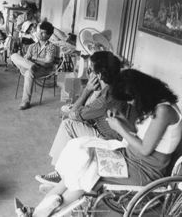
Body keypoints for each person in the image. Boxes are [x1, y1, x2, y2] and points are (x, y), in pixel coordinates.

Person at [15, 69, 182, 217]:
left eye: (130, 100)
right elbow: (140, 135)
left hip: (144, 170)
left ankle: (42, 212)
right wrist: (122, 120)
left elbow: (145, 149)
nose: (131, 104)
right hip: (131, 157)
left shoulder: (164, 111)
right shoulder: (156, 106)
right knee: (81, 162)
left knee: (89, 173)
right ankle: (39, 209)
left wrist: (120, 128)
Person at [35, 51, 128, 185]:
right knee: (69, 119)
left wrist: (87, 90)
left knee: (68, 124)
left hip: (109, 141)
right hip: (105, 130)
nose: (89, 73)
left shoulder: (106, 98)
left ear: (99, 75)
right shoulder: (113, 87)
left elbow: (74, 113)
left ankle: (60, 173)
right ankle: (63, 166)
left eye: (90, 70)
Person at [10, 21, 57, 110]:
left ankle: (25, 102)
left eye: (44, 33)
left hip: (43, 69)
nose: (40, 34)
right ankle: (31, 66)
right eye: (40, 32)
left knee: (29, 73)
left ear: (49, 35)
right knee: (13, 56)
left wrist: (34, 59)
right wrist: (28, 62)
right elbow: (26, 59)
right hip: (27, 67)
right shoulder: (32, 46)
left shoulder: (51, 46)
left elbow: (48, 61)